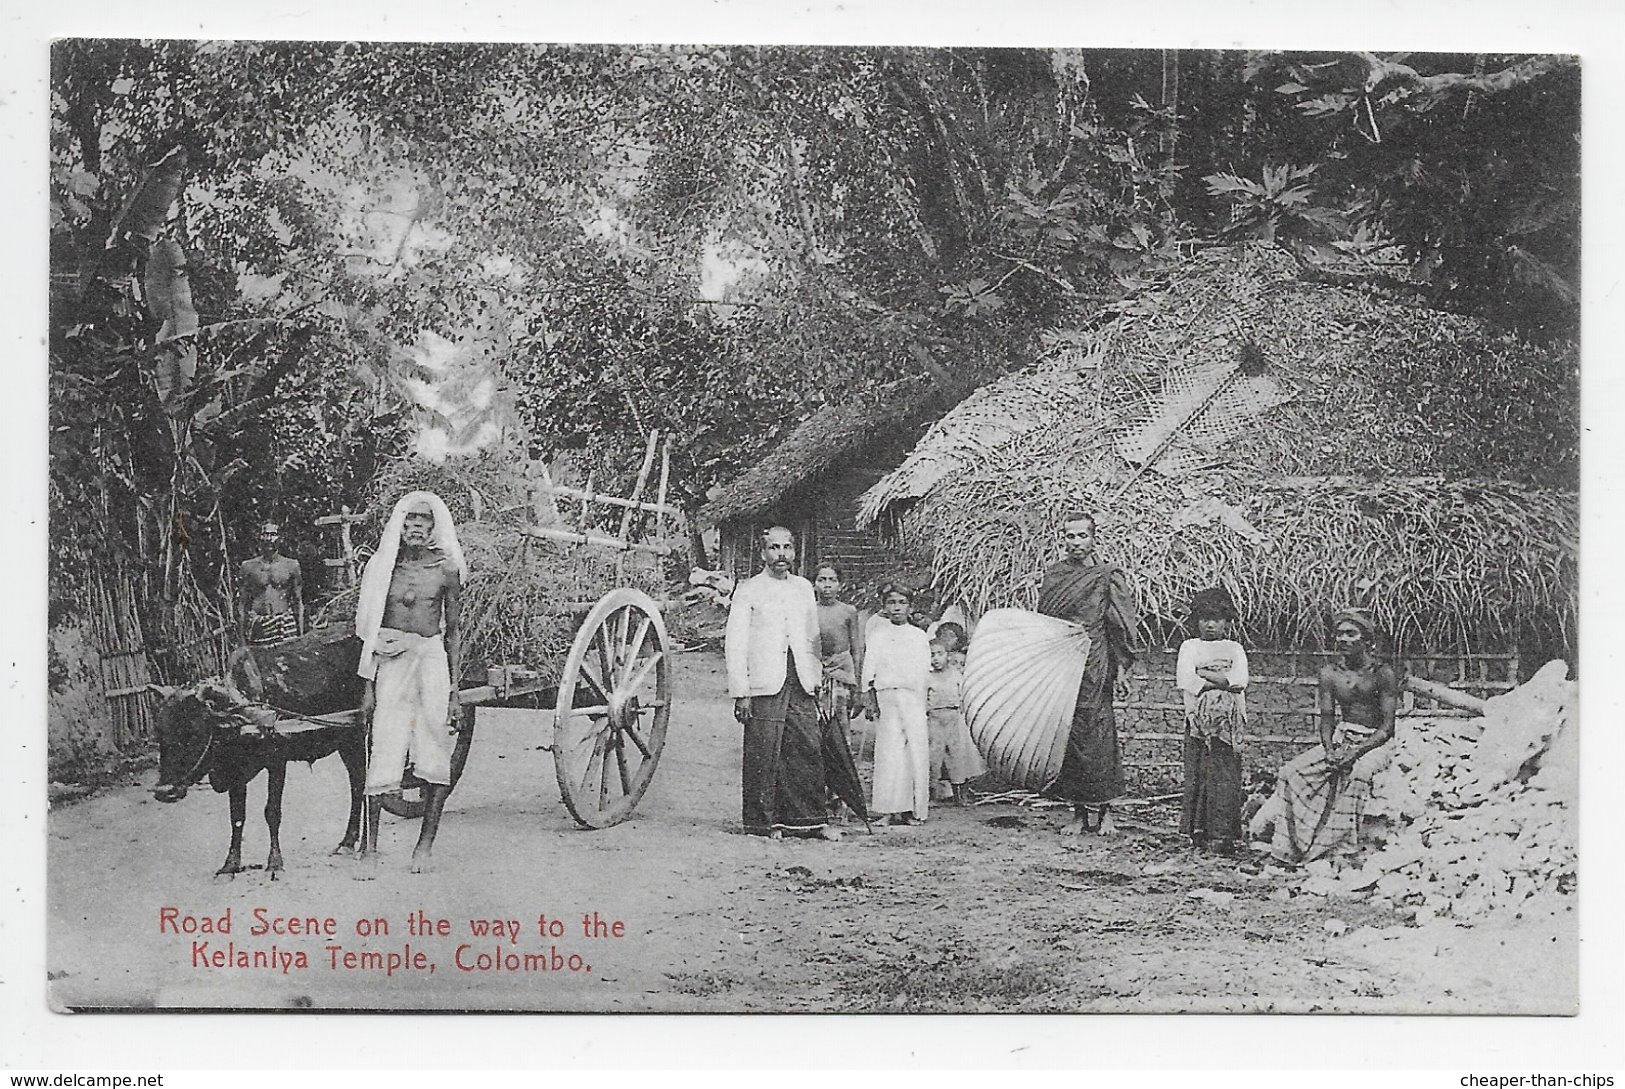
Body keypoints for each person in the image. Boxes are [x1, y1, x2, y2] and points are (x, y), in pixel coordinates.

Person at [354, 492, 467, 872]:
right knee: (383, 746)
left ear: (435, 528)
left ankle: (424, 847)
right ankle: (369, 850)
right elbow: (370, 630)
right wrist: (368, 684)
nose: (415, 526)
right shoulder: (384, 568)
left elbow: (452, 632)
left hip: (431, 660)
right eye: (409, 520)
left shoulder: (446, 569)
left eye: (423, 520)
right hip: (391, 659)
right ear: (399, 527)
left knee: (434, 748)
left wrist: (453, 691)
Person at [726, 526, 839, 841]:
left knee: (807, 747)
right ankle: (764, 823)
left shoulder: (803, 587)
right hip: (764, 681)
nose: (781, 555)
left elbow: (812, 635)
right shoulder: (748, 589)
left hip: (800, 677)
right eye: (774, 548)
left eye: (787, 548)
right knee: (765, 751)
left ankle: (810, 821)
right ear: (763, 553)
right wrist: (741, 691)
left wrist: (815, 676)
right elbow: (735, 643)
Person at [1267, 607, 1398, 867]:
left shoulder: (1382, 673)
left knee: (1358, 774)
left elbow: (1388, 728)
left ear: (1366, 640)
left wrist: (1355, 753)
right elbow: (1327, 718)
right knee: (1290, 772)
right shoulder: (1329, 673)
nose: (1344, 640)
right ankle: (1290, 848)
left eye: (1351, 634)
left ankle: (1342, 849)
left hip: (1374, 742)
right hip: (1342, 736)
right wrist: (1329, 750)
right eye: (1340, 634)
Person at [1035, 511, 1139, 836]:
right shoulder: (1055, 576)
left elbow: (1120, 624)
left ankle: (1105, 812)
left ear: (1094, 538)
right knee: (1071, 734)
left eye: (1083, 535)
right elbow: (1045, 621)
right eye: (1070, 536)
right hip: (1066, 664)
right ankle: (1078, 814)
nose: (1076, 542)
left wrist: (1122, 668)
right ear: (1062, 539)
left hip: (1097, 662)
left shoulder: (1107, 576)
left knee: (1100, 732)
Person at [1176, 587, 1249, 853]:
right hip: (1198, 724)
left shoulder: (1234, 648)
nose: (1210, 624)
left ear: (1227, 622)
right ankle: (1197, 833)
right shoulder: (1190, 647)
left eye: (1217, 618)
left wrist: (1204, 674)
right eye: (1204, 617)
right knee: (1198, 774)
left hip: (1229, 725)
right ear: (1196, 620)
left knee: (1225, 776)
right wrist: (1220, 680)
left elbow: (1239, 681)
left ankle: (1222, 835)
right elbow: (1185, 679)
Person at [863, 584, 932, 825]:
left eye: (901, 603)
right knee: (889, 753)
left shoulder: (919, 636)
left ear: (910, 607)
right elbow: (869, 670)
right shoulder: (878, 636)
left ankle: (913, 810)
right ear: (884, 607)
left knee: (915, 751)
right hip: (887, 698)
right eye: (891, 603)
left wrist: (923, 702)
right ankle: (888, 811)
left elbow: (924, 672)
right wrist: (869, 699)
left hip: (913, 698)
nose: (896, 607)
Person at [926, 637, 984, 806]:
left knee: (956, 757)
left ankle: (960, 795)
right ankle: (931, 795)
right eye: (932, 655)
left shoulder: (955, 675)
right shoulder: (927, 677)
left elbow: (964, 697)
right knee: (933, 758)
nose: (936, 659)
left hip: (953, 718)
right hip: (934, 720)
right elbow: (923, 700)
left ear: (948, 656)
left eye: (940, 654)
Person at [239, 521, 304, 646]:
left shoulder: (291, 565)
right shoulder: (248, 567)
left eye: (273, 534)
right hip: (259, 623)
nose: (269, 539)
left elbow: (298, 602)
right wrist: (241, 639)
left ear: (280, 538)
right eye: (265, 534)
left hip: (284, 623)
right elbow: (242, 605)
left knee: (287, 662)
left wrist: (300, 635)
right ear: (259, 538)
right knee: (261, 663)